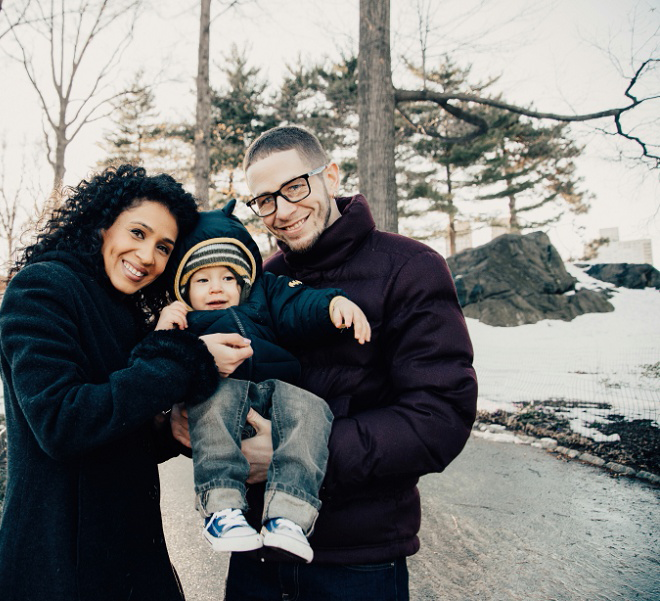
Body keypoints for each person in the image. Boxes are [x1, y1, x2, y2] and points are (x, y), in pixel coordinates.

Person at [173, 126, 478, 600]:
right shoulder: (256, 280)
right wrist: (187, 419)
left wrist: (291, 454)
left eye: (294, 187)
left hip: (357, 562)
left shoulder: (409, 268)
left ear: (331, 176)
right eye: (265, 200)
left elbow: (439, 418)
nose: (283, 211)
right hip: (255, 556)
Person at [0, 165, 250, 601]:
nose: (147, 256)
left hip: (129, 552)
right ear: (102, 225)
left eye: (163, 247)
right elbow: (62, 422)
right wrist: (190, 361)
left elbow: (120, 417)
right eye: (138, 233)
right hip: (60, 561)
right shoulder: (40, 289)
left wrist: (169, 429)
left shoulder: (124, 308)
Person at [155, 200, 370, 564]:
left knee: (312, 408)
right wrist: (165, 329)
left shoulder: (265, 296)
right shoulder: (185, 321)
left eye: (228, 278)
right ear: (184, 290)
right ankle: (221, 508)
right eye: (202, 280)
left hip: (272, 390)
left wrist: (331, 305)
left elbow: (298, 303)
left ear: (243, 282)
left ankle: (289, 514)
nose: (216, 287)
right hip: (219, 393)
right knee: (216, 399)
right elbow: (155, 366)